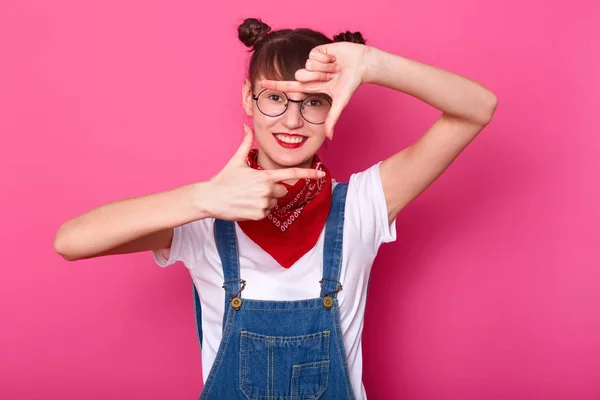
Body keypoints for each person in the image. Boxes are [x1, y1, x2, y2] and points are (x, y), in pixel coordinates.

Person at [54, 17, 497, 400]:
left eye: (313, 102)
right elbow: (70, 241)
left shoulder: (363, 204)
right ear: (248, 97)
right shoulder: (203, 216)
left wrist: (373, 64)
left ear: (336, 105)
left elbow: (478, 108)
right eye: (275, 98)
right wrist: (202, 198)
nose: (291, 120)